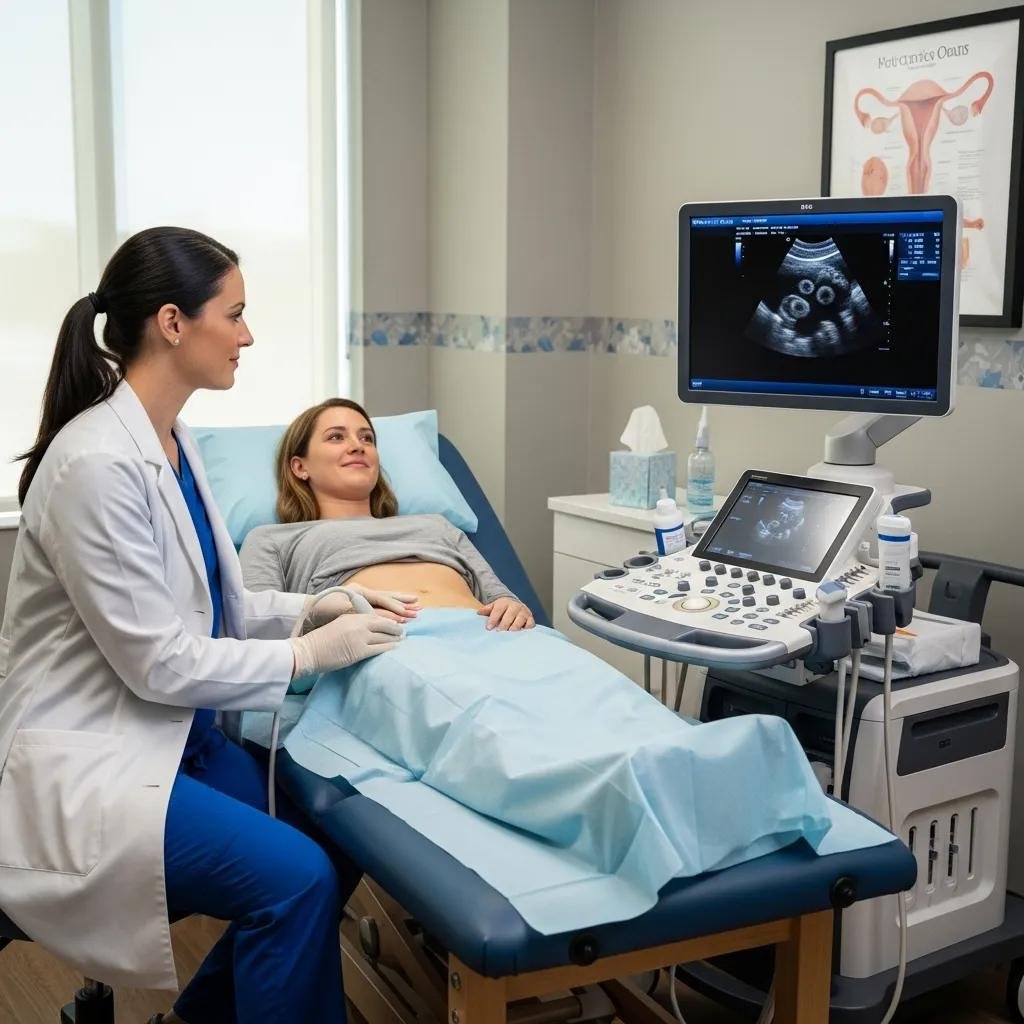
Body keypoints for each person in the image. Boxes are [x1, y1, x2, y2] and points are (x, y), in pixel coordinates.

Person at [0, 228, 406, 1024]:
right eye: (237, 313)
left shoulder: (172, 439)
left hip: (181, 742)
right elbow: (157, 661)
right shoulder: (94, 465)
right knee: (296, 877)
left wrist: (315, 606)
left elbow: (216, 604)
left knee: (338, 837)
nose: (249, 335)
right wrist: (306, 654)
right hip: (101, 760)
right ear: (174, 323)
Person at [239, 398, 536, 631]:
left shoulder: (436, 525)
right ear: (299, 467)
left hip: (488, 633)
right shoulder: (273, 539)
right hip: (385, 645)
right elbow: (258, 631)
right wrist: (335, 619)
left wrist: (512, 608)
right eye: (336, 437)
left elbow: (503, 599)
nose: (357, 446)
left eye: (367, 438)